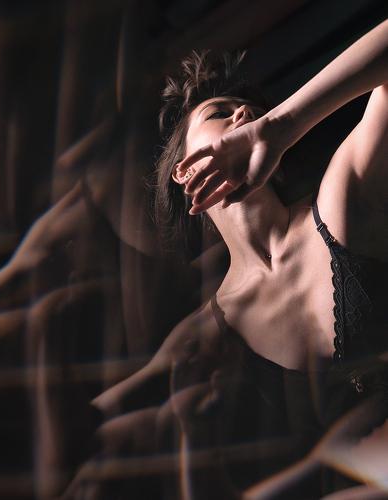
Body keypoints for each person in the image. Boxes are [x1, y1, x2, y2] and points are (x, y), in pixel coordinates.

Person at [145, 17, 388, 499]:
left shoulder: (342, 201)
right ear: (183, 171)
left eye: (253, 114)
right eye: (220, 113)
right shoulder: (204, 341)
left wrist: (281, 125)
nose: (243, 115)